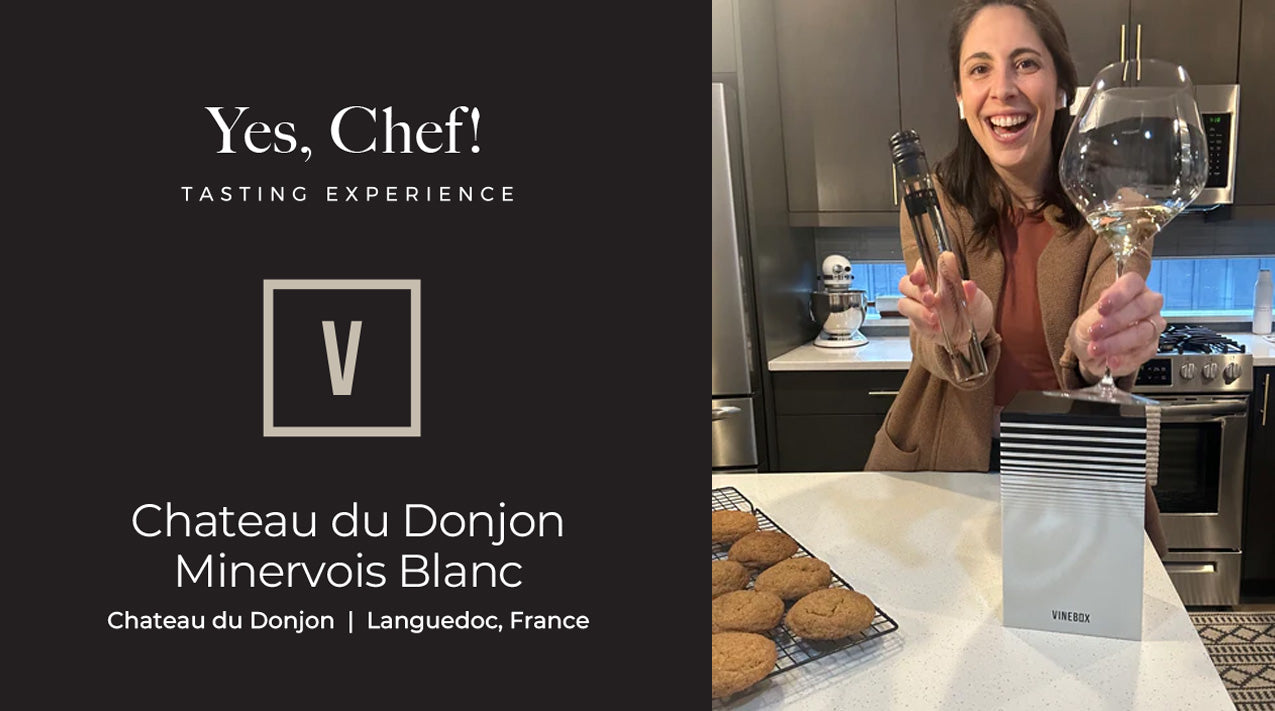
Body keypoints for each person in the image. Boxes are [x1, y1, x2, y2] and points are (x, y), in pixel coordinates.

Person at [862, 0, 1169, 557]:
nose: (1002, 89)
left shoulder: (1119, 207)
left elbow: (1109, 317)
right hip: (947, 463)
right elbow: (928, 338)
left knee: (1076, 608)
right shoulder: (931, 199)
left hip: (1071, 467)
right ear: (961, 98)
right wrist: (961, 335)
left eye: (1026, 63)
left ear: (1062, 88)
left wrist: (1096, 346)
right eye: (980, 68)